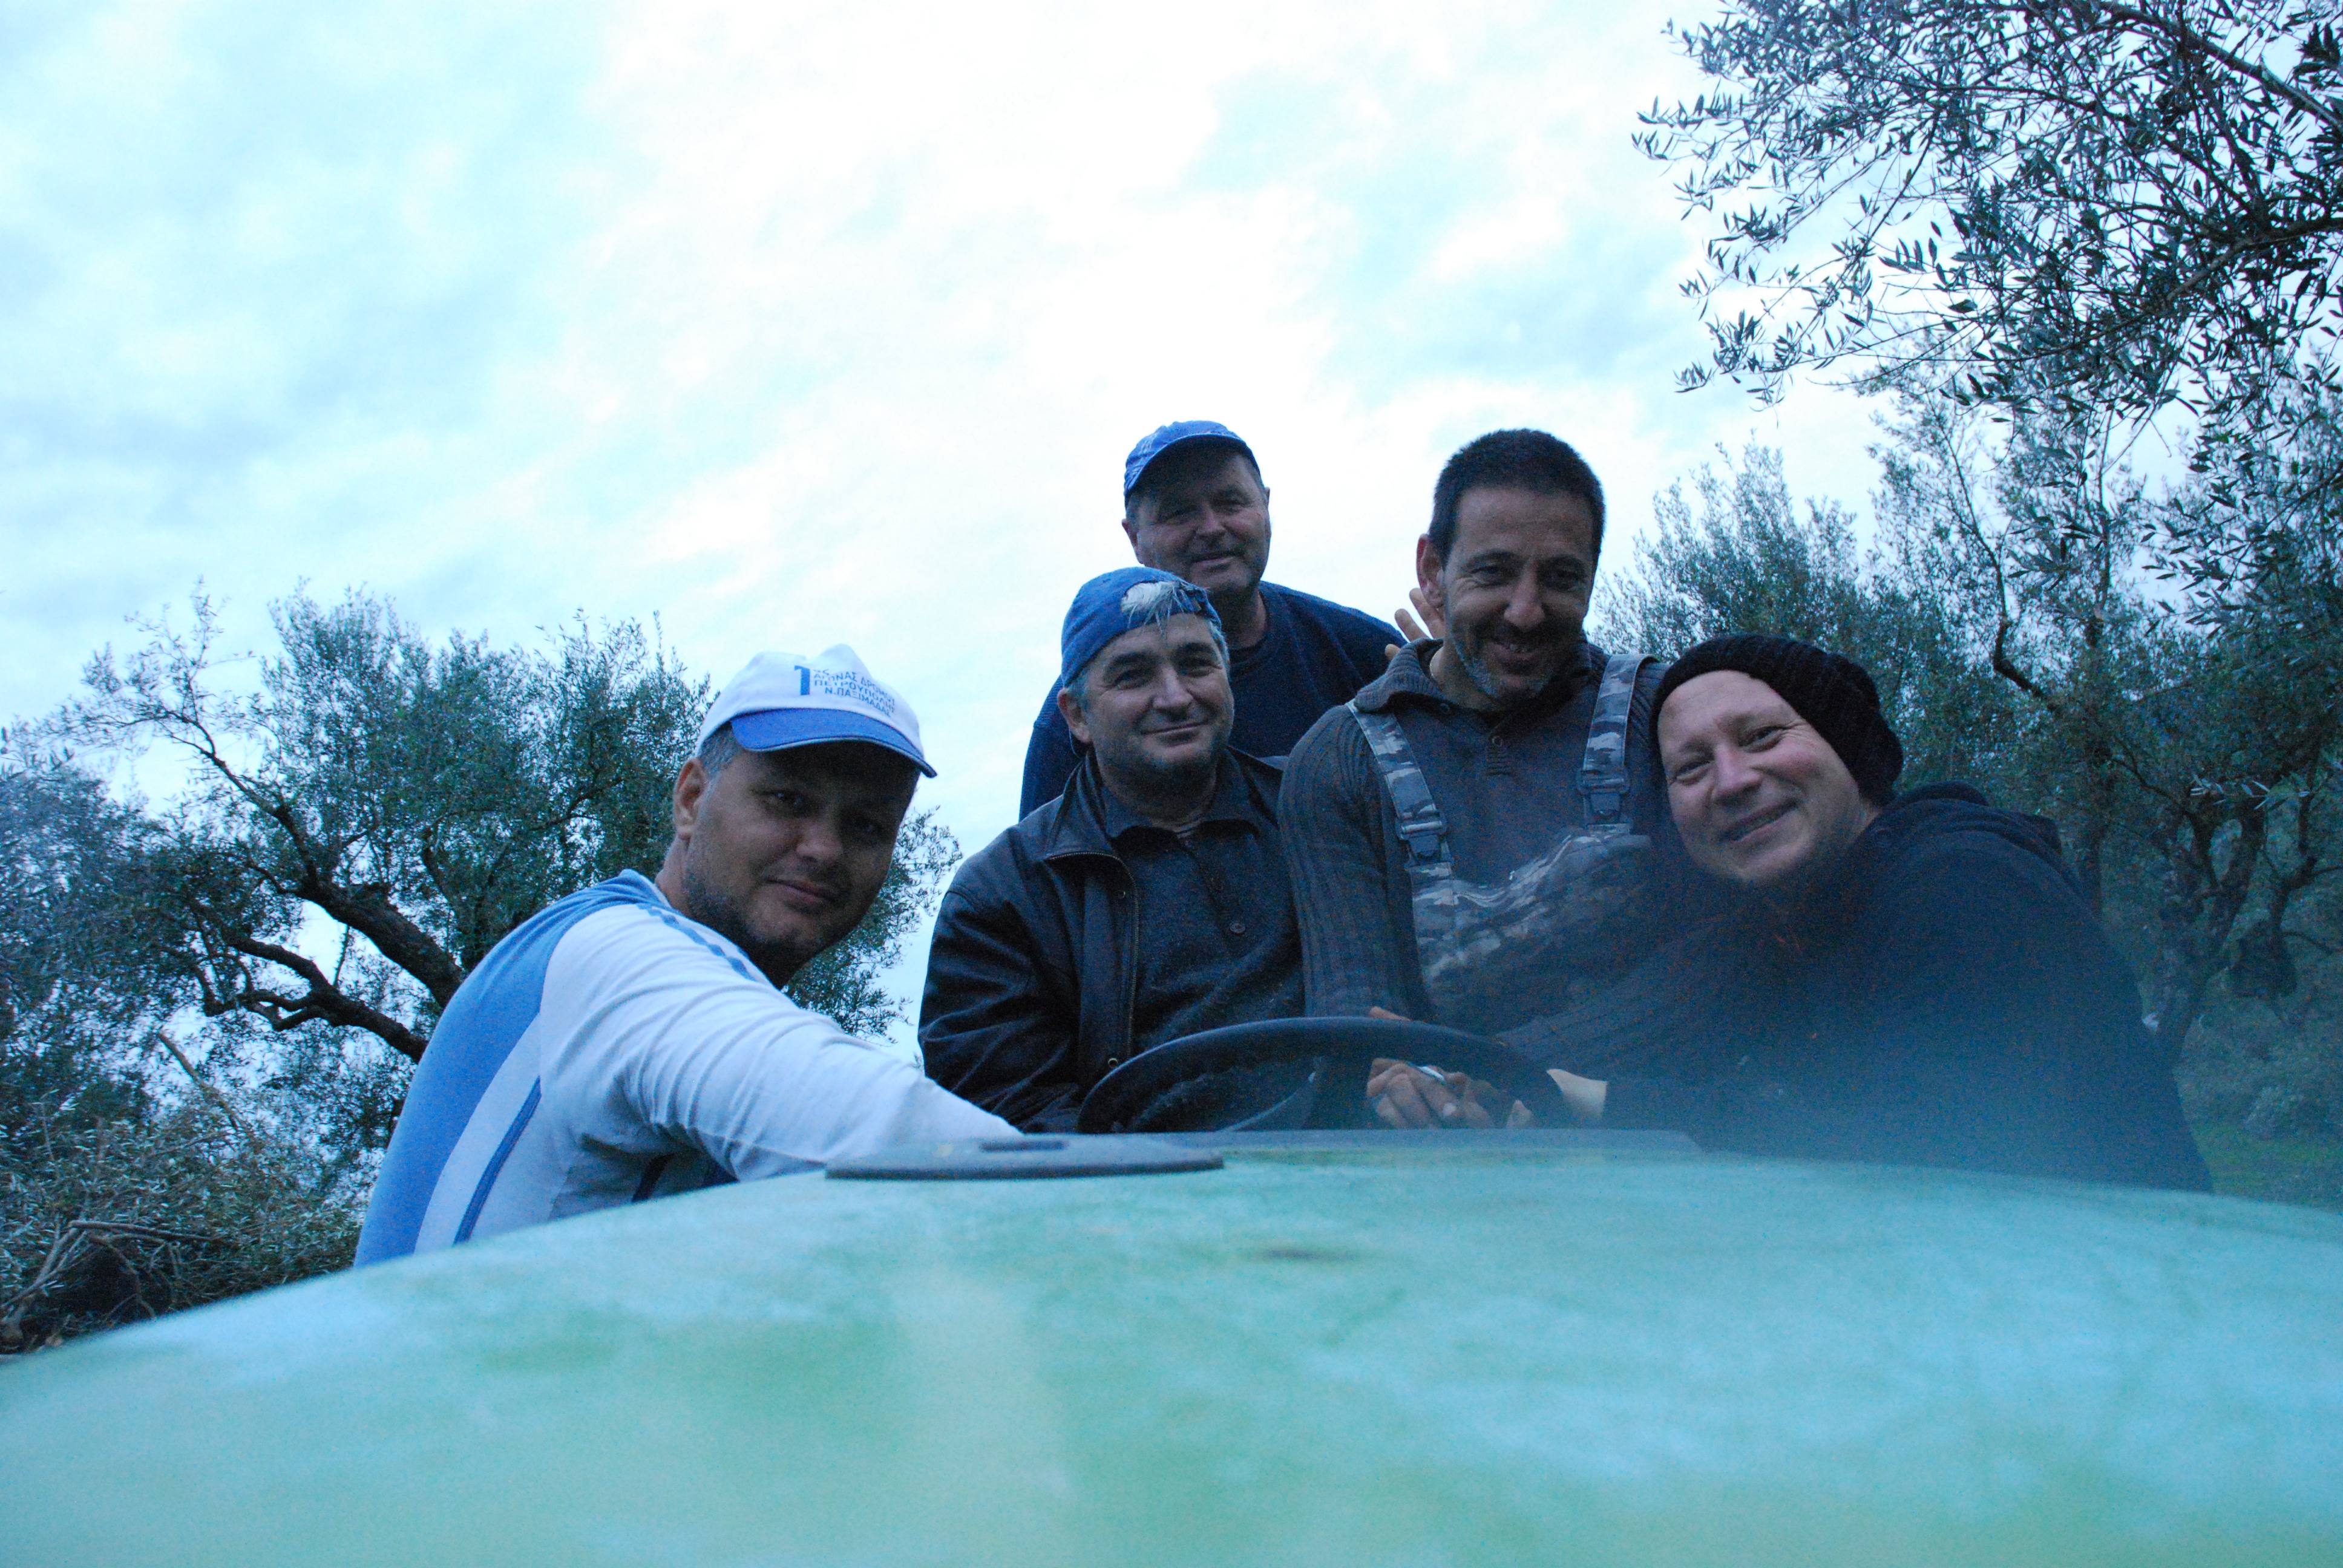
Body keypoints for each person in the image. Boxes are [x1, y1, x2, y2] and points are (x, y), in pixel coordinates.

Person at [355, 648, 1014, 1263]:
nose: (823, 848)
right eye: (789, 800)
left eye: (867, 826)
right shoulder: (621, 960)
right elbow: (901, 1134)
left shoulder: (581, 945)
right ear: (692, 799)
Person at [1513, 633, 2209, 1190]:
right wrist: (1442, 1071)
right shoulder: (1785, 930)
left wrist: (1607, 1105)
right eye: (1689, 769)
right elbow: (1620, 1028)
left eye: (1760, 737)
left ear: (1847, 752)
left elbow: (1947, 1163)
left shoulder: (1968, 885)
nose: (1730, 781)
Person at [1280, 428, 1693, 1049]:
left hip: (1659, 1133)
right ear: (1431, 569)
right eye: (1493, 573)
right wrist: (1390, 1077)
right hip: (1441, 1137)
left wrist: (1519, 1074)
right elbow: (1352, 1012)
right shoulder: (1338, 760)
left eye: (1559, 578)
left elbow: (1717, 959)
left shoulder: (1662, 713)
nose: (1525, 611)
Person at [923, 567, 1304, 1130]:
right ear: (1077, 716)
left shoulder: (1322, 805)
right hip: (1149, 1199)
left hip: (1366, 1159)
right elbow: (1008, 1108)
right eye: (1133, 676)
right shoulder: (1000, 897)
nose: (1175, 697)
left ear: (1228, 679)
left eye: (1197, 664)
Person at [1018, 420, 1399, 816]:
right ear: (1135, 539)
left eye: (1230, 503)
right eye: (1179, 513)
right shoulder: (1083, 713)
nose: (1212, 528)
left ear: (1265, 506)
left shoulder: (1366, 652)